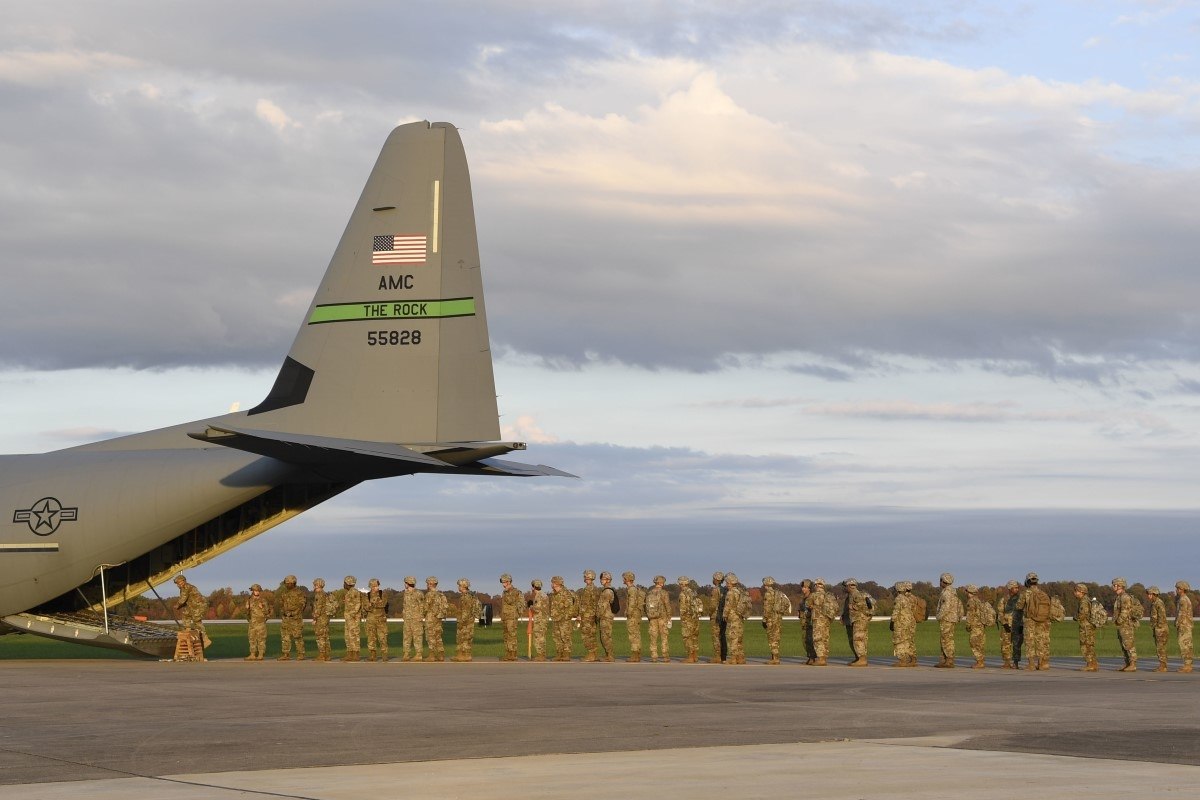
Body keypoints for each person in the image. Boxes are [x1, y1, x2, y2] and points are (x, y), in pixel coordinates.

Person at [1015, 572, 1051, 670]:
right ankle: (1042, 663)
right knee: (1041, 641)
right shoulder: (1043, 593)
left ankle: (1031, 664)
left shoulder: (1026, 593)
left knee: (1029, 641)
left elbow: (1019, 606)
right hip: (1042, 620)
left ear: (1027, 581)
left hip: (1030, 620)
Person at [173, 573, 211, 652]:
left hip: (199, 605)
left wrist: (177, 605)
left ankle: (205, 639)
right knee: (186, 615)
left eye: (179, 583)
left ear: (184, 581)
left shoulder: (187, 587)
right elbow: (185, 600)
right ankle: (187, 630)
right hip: (192, 606)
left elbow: (183, 599)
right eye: (177, 583)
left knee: (196, 620)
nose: (178, 585)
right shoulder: (183, 588)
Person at [934, 572, 964, 668]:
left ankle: (949, 660)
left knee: (946, 639)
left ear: (944, 581)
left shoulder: (947, 593)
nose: (940, 582)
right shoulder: (953, 592)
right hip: (952, 618)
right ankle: (944, 660)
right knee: (946, 639)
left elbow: (945, 607)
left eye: (941, 580)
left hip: (947, 619)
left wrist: (939, 616)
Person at [1112, 577, 1141, 672]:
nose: (1113, 587)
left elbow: (1125, 611)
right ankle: (1127, 663)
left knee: (1129, 644)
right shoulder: (1119, 597)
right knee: (1123, 644)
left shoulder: (1124, 597)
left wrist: (1119, 621)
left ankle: (1133, 664)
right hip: (1122, 625)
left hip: (1126, 625)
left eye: (1115, 585)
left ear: (1120, 586)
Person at [276, 574, 306, 661]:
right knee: (285, 636)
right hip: (286, 619)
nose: (287, 585)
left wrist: (294, 613)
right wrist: (284, 612)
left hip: (296, 619)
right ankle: (286, 654)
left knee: (297, 636)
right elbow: (281, 604)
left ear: (294, 583)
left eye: (289, 583)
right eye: (286, 583)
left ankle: (301, 654)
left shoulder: (299, 593)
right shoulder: (284, 593)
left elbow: (302, 604)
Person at [841, 578, 870, 667]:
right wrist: (844, 617)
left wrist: (853, 606)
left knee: (859, 638)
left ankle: (862, 659)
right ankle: (858, 657)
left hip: (859, 620)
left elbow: (864, 607)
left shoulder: (857, 595)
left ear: (850, 586)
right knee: (853, 639)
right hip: (852, 620)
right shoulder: (850, 596)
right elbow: (847, 609)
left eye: (845, 586)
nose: (844, 588)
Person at [550, 576, 578, 661]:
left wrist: (566, 617)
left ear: (557, 583)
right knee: (557, 637)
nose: (551, 584)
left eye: (553, 582)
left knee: (565, 637)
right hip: (556, 618)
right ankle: (559, 653)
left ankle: (566, 654)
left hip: (564, 620)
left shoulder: (566, 593)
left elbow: (570, 607)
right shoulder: (555, 593)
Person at [453, 578, 481, 662]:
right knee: (462, 638)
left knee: (465, 638)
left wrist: (462, 621)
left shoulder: (467, 597)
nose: (458, 587)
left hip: (466, 621)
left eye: (459, 585)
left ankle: (467, 655)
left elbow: (466, 610)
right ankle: (460, 655)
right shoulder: (466, 596)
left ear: (464, 586)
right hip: (465, 620)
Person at [1073, 583, 1099, 672]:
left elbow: (1083, 614)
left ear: (1081, 592)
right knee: (1090, 645)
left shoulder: (1084, 601)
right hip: (1088, 626)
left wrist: (1076, 617)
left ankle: (1090, 664)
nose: (1075, 593)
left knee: (1086, 645)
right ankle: (1093, 664)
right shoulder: (1086, 600)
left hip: (1086, 627)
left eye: (1076, 591)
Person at [808, 578, 834, 666]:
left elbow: (808, 605)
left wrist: (813, 607)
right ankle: (824, 658)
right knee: (825, 638)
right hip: (826, 620)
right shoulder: (829, 595)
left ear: (816, 585)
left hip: (818, 619)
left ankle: (820, 659)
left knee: (817, 639)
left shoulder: (814, 595)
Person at [890, 581, 917, 667]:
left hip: (900, 622)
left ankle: (902, 660)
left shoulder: (899, 598)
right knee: (907, 640)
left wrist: (892, 621)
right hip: (908, 622)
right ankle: (912, 659)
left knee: (899, 640)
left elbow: (896, 611)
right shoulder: (907, 598)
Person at [723, 573, 748, 664]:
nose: (726, 584)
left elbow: (728, 606)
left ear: (730, 582)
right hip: (739, 616)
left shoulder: (730, 593)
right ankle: (741, 658)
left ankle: (733, 658)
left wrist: (725, 615)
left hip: (733, 617)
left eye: (727, 582)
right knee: (739, 638)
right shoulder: (739, 591)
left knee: (732, 637)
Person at [763, 577, 789, 665]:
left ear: (766, 584)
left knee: (772, 638)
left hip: (771, 618)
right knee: (776, 637)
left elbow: (767, 608)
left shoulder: (768, 594)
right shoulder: (778, 593)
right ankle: (775, 657)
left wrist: (764, 619)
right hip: (778, 618)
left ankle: (775, 658)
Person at [997, 579, 1022, 669]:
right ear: (1009, 588)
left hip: (1018, 625)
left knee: (1017, 644)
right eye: (1014, 587)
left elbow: (1024, 612)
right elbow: (1000, 612)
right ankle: (1007, 662)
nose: (1016, 589)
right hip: (1007, 625)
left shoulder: (1021, 599)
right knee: (1005, 644)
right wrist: (1004, 623)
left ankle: (1016, 663)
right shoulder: (1004, 599)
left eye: (1017, 587)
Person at [577, 570, 600, 662]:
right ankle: (594, 654)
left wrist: (580, 615)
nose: (585, 578)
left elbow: (585, 604)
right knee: (592, 635)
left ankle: (591, 654)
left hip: (587, 616)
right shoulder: (594, 588)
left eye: (586, 577)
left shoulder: (588, 589)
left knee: (587, 635)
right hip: (592, 615)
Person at [646, 575, 671, 662]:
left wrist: (649, 616)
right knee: (664, 637)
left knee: (653, 637)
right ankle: (665, 656)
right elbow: (667, 605)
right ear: (661, 583)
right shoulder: (664, 593)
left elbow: (646, 607)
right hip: (662, 618)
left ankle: (654, 656)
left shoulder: (649, 592)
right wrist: (669, 617)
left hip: (652, 618)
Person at [424, 576, 449, 662]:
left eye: (427, 583)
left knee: (430, 636)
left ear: (430, 584)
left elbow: (425, 608)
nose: (427, 585)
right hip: (439, 618)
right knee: (438, 636)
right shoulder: (441, 594)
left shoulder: (429, 594)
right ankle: (441, 655)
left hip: (431, 618)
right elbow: (446, 606)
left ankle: (432, 656)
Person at [623, 571, 646, 663]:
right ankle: (637, 654)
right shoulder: (635, 589)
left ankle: (635, 655)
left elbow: (632, 602)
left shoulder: (631, 589)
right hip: (637, 614)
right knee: (636, 634)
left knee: (633, 635)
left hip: (633, 615)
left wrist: (628, 612)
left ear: (627, 579)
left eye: (624, 578)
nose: (623, 580)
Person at [499, 573, 523, 661]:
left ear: (508, 582)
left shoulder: (514, 591)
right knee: (506, 636)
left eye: (504, 581)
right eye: (502, 581)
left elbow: (510, 601)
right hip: (506, 617)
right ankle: (508, 654)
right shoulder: (505, 592)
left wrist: (508, 591)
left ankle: (513, 654)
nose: (503, 583)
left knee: (511, 635)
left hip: (511, 617)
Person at [963, 585, 988, 669]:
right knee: (980, 643)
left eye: (966, 591)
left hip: (975, 625)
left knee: (974, 643)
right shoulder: (979, 600)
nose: (965, 592)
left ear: (969, 592)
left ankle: (979, 662)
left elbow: (970, 614)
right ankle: (981, 661)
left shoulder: (971, 601)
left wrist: (968, 625)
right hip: (981, 625)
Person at [400, 576, 424, 662]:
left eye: (405, 583)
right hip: (407, 619)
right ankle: (406, 654)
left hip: (416, 619)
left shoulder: (418, 593)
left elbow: (422, 606)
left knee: (417, 637)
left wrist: (420, 616)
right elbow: (405, 605)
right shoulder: (405, 593)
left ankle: (418, 654)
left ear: (408, 583)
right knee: (406, 637)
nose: (404, 584)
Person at [365, 577, 389, 662]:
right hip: (371, 620)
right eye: (375, 586)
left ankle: (384, 654)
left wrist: (372, 604)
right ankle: (372, 654)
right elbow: (366, 607)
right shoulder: (367, 595)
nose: (377, 587)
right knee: (371, 638)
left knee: (383, 638)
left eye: (378, 586)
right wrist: (373, 605)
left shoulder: (383, 594)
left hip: (381, 620)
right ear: (371, 586)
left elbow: (383, 604)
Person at [678, 576, 701, 663]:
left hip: (687, 618)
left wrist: (683, 618)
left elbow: (683, 608)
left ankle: (690, 656)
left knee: (687, 637)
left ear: (682, 584)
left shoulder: (683, 594)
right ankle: (695, 656)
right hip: (695, 617)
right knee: (694, 637)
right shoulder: (693, 592)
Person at [341, 575, 363, 662]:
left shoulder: (354, 592)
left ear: (348, 583)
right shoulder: (349, 592)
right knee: (348, 636)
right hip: (348, 618)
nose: (344, 584)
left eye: (345, 583)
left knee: (354, 636)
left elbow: (358, 604)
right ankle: (350, 654)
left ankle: (356, 655)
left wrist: (352, 614)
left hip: (353, 618)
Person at [245, 583, 268, 661]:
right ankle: (252, 654)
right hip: (252, 624)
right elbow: (246, 613)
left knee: (261, 639)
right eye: (255, 590)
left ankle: (261, 654)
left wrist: (262, 608)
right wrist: (247, 609)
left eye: (258, 590)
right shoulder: (249, 600)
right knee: (252, 639)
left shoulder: (263, 600)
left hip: (260, 623)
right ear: (252, 591)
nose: (257, 592)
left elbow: (267, 612)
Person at [597, 571, 617, 662]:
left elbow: (603, 606)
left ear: (608, 580)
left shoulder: (607, 591)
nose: (601, 581)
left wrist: (597, 615)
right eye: (601, 579)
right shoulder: (606, 590)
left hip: (605, 616)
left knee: (606, 636)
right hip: (604, 616)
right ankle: (608, 654)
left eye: (603, 579)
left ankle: (610, 655)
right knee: (604, 636)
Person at [708, 572, 727, 663]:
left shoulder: (715, 590)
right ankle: (723, 655)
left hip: (716, 615)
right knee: (722, 635)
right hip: (723, 615)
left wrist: (710, 613)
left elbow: (713, 605)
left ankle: (717, 656)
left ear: (716, 579)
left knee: (716, 636)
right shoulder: (724, 589)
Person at [1148, 586, 1169, 673]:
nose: (1148, 596)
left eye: (1149, 594)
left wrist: (1158, 628)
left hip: (1161, 629)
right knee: (1160, 648)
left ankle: (1163, 666)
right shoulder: (1154, 603)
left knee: (1161, 648)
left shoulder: (1158, 603)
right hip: (1158, 628)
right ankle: (1162, 665)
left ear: (1154, 594)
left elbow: (1161, 616)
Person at [311, 577, 332, 662]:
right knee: (325, 636)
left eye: (315, 584)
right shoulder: (325, 594)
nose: (314, 586)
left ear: (318, 585)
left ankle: (322, 655)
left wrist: (315, 618)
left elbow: (318, 608)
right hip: (325, 618)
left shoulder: (319, 595)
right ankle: (327, 655)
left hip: (320, 618)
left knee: (320, 637)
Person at [529, 578, 549, 662]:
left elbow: (538, 609)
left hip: (540, 620)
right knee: (541, 637)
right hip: (542, 619)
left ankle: (541, 655)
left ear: (533, 587)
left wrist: (531, 606)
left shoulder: (540, 596)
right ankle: (541, 655)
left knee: (539, 637)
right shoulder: (543, 595)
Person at [1177, 580, 1194, 674]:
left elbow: (1181, 613)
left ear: (1182, 589)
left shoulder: (1183, 599)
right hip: (1187, 624)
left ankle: (1187, 666)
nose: (1176, 590)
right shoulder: (1186, 598)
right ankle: (1188, 665)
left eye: (1178, 588)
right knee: (1187, 644)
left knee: (1184, 644)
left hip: (1184, 625)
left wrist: (1177, 623)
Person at [797, 579, 816, 664]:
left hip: (811, 622)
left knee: (810, 640)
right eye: (802, 587)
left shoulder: (812, 597)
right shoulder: (803, 598)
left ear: (809, 588)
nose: (803, 589)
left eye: (805, 587)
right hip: (804, 622)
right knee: (805, 640)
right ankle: (810, 657)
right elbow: (801, 608)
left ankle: (812, 658)